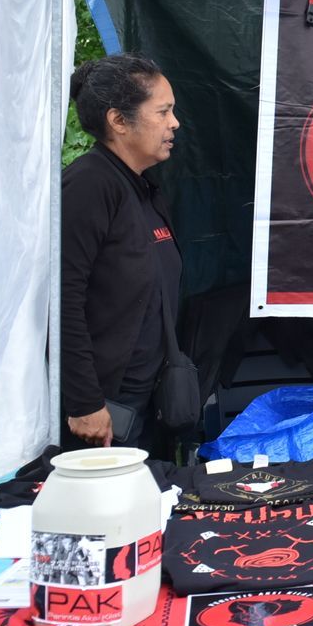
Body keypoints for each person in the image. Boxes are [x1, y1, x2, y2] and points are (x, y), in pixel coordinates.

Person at [60, 53, 183, 448]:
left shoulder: (143, 187)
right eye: (163, 111)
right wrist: (84, 402)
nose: (174, 123)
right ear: (118, 120)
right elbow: (62, 299)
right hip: (103, 414)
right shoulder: (89, 185)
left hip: (146, 404)